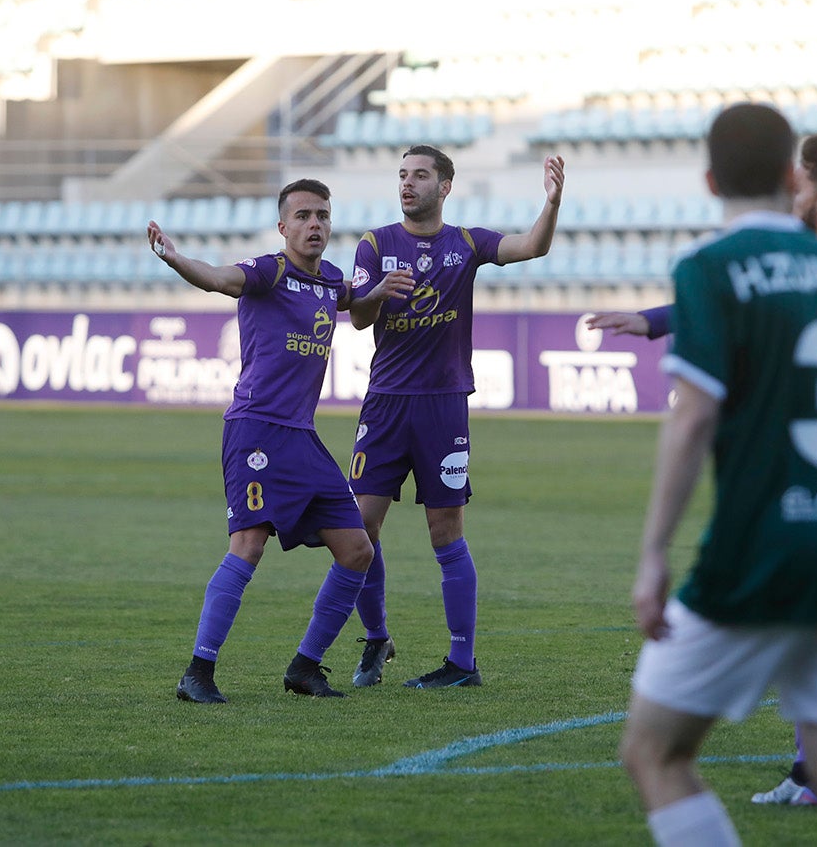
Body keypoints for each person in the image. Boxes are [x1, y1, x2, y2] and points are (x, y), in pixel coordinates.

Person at [591, 132, 817, 808]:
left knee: (659, 744)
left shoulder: (811, 264)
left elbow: (745, 306)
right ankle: (812, 773)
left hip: (784, 490)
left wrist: (659, 319)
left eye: (804, 185)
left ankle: (809, 771)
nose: (793, 195)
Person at [147, 179, 413, 703]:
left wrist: (377, 294)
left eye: (322, 216)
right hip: (256, 429)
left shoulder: (332, 280)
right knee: (248, 544)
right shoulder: (270, 271)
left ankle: (305, 667)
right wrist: (177, 259)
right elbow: (220, 278)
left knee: (358, 547)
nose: (314, 225)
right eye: (304, 216)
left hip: (302, 438)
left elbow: (353, 308)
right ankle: (197, 673)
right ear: (283, 227)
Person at [344, 145, 565, 688]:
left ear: (445, 186)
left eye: (420, 175)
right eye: (402, 175)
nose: (407, 184)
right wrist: (375, 292)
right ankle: (377, 638)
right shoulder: (375, 244)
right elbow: (354, 317)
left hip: (444, 406)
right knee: (359, 529)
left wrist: (552, 203)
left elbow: (532, 246)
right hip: (386, 403)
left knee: (445, 530)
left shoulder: (465, 242)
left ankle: (462, 663)